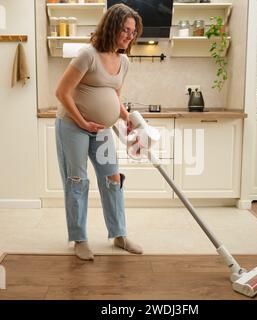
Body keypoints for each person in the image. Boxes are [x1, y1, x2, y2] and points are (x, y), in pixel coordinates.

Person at [55, 3, 143, 260]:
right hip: (73, 127)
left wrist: (125, 117)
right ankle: (79, 239)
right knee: (77, 182)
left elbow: (114, 94)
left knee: (112, 179)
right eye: (126, 30)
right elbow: (61, 92)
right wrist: (82, 122)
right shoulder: (88, 55)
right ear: (112, 27)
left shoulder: (123, 61)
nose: (130, 35)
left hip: (102, 129)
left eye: (133, 31)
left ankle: (119, 235)